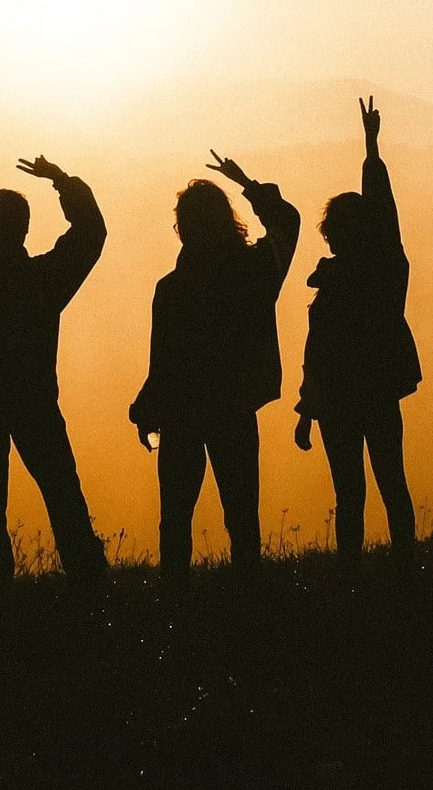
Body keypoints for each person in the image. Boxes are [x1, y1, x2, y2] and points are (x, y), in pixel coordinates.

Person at [0, 156, 110, 591]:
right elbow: (92, 233)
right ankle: (86, 573)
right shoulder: (42, 278)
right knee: (60, 487)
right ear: (26, 227)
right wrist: (61, 181)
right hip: (34, 401)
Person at [129, 152, 300, 579]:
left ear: (183, 229)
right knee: (242, 516)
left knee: (175, 520)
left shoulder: (171, 288)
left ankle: (174, 600)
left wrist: (146, 410)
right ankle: (247, 598)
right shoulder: (257, 270)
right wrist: (246, 182)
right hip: (235, 407)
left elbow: (163, 362)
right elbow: (288, 223)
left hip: (182, 414)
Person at [294, 97, 421, 573]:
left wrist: (308, 410)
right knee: (391, 481)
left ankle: (352, 575)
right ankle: (405, 567)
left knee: (350, 492)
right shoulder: (386, 270)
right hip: (377, 392)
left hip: (338, 403)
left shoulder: (342, 281)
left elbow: (317, 356)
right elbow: (386, 215)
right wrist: (370, 149)